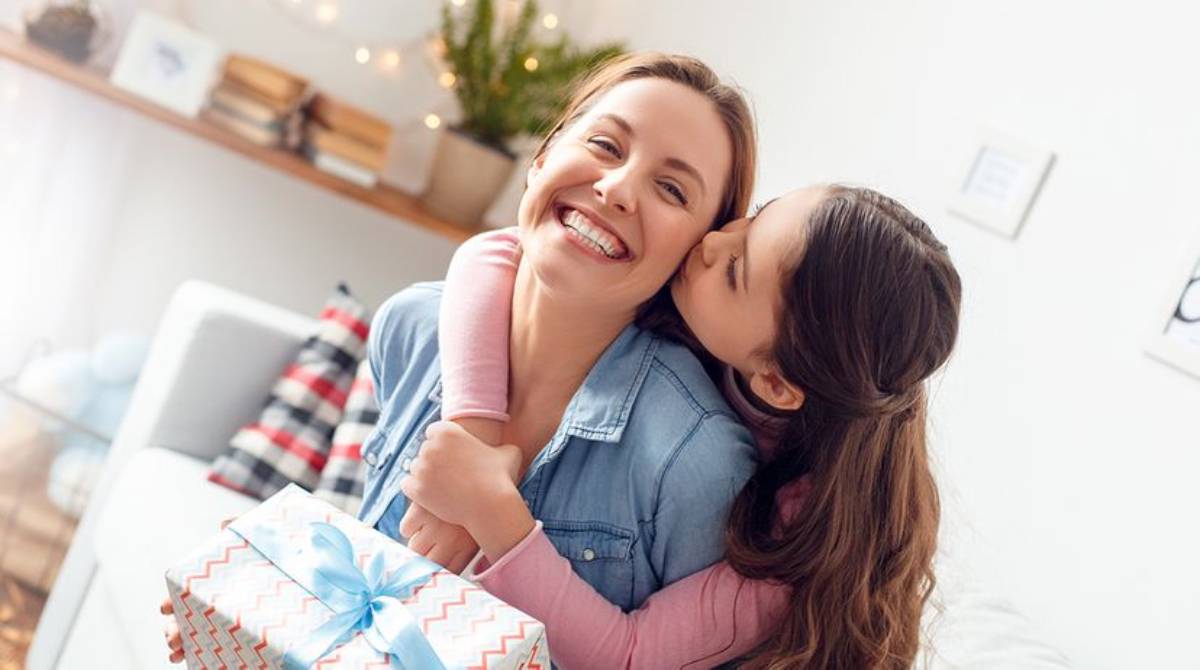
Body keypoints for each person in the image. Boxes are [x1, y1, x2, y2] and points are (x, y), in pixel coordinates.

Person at [162, 51, 763, 665]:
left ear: (697, 253)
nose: (616, 189)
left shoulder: (697, 462)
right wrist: (263, 598)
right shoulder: (413, 330)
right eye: (606, 145)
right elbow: (381, 585)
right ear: (543, 156)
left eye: (671, 189)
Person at [402, 185, 963, 668]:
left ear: (776, 384)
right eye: (754, 217)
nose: (713, 241)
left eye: (736, 269)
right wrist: (475, 434)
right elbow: (501, 249)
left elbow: (628, 656)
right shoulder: (712, 301)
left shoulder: (802, 531)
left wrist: (491, 511)